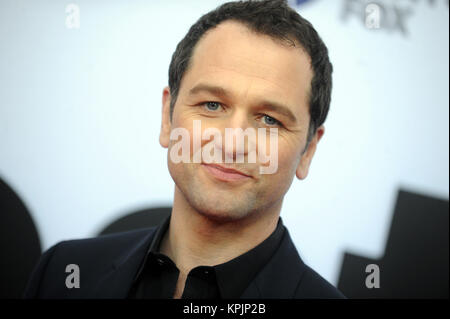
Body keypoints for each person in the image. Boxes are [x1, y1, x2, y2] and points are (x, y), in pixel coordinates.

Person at [24, 0, 345, 299]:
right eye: (212, 104)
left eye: (269, 120)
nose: (231, 143)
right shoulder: (62, 271)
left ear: (307, 151)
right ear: (167, 116)